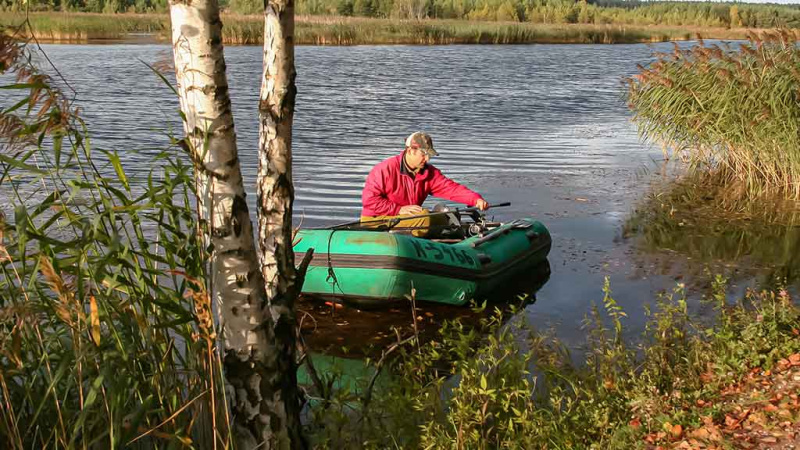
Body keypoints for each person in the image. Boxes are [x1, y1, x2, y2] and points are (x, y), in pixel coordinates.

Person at [360, 132, 489, 237]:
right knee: (425, 218)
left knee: (441, 217)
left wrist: (475, 199)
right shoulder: (384, 169)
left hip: (408, 219)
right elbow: (369, 200)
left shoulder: (429, 172)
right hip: (377, 219)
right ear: (410, 150)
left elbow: (451, 189)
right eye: (424, 154)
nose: (427, 159)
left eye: (429, 155)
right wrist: (398, 209)